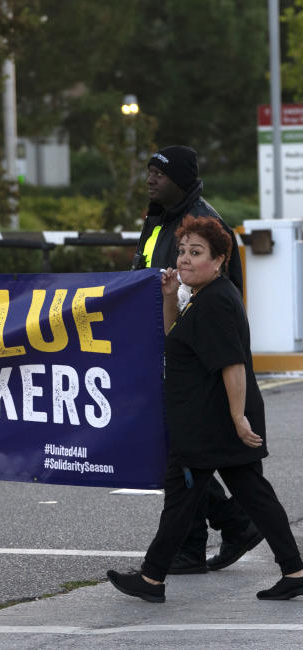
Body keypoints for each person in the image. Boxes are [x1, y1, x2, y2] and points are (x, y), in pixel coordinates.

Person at [108, 216, 303, 602]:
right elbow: (175, 340)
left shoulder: (215, 302)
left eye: (195, 253)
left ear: (219, 260)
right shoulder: (205, 296)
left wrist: (237, 417)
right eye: (182, 251)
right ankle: (294, 570)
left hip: (209, 425)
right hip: (213, 422)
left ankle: (151, 578)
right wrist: (168, 298)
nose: (184, 259)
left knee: (183, 499)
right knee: (253, 497)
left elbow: (232, 364)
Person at [130, 145, 261, 575]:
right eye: (149, 171)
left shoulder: (204, 224)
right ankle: (234, 525)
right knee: (180, 452)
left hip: (189, 357)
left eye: (159, 173)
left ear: (181, 180)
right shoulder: (158, 219)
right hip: (160, 347)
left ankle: (199, 543)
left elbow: (221, 297)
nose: (150, 178)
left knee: (183, 453)